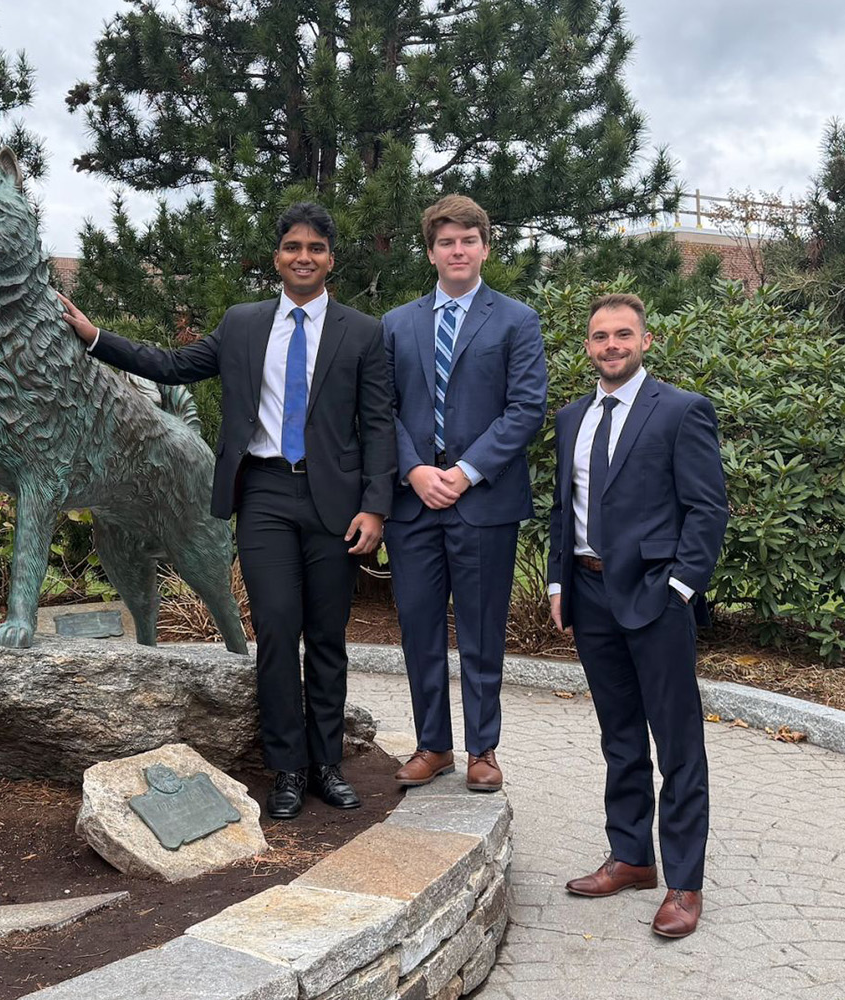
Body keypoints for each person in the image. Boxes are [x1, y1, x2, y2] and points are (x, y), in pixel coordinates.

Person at [57, 203, 396, 820]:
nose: (303, 257)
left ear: (330, 259)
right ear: (277, 258)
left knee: (325, 638)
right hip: (264, 493)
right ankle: (286, 768)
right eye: (292, 246)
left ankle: (326, 765)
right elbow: (173, 364)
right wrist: (96, 338)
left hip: (335, 504)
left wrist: (375, 508)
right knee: (275, 631)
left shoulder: (362, 333)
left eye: (315, 248)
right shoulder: (243, 324)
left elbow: (377, 427)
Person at [546, 292, 728, 938]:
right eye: (600, 336)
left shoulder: (680, 411)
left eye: (623, 334)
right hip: (590, 596)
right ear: (588, 347)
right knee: (619, 737)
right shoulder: (572, 418)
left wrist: (681, 586)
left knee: (677, 744)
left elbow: (708, 509)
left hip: (655, 596)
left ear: (645, 341)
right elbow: (562, 509)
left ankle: (684, 882)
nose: (611, 345)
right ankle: (630, 857)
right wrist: (555, 580)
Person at [381, 194, 546, 792]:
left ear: (485, 247)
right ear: (431, 252)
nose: (458, 250)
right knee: (419, 628)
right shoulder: (396, 325)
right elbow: (381, 410)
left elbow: (525, 410)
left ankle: (484, 750)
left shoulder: (516, 320)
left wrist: (467, 470)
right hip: (413, 502)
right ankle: (433, 746)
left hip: (484, 502)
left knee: (481, 632)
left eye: (468, 240)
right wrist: (416, 471)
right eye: (446, 241)